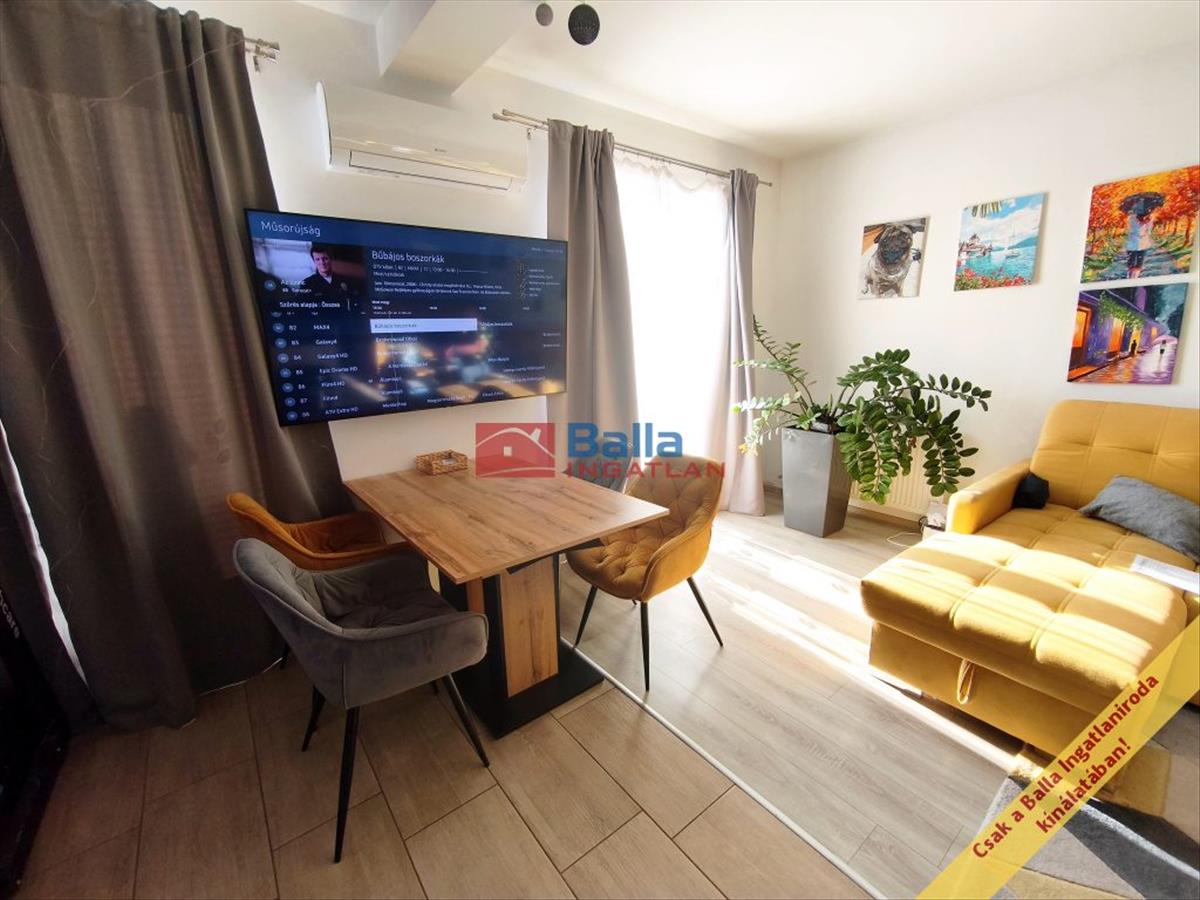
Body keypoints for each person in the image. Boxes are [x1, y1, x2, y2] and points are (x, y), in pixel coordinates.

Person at [301, 244, 362, 311]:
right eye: (317, 259)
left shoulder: (345, 280)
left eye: (325, 259)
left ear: (331, 259)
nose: (322, 263)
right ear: (314, 262)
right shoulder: (307, 283)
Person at [1125, 213, 1152, 278]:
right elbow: (1148, 232)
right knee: (1134, 264)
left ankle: (1133, 277)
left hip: (1141, 245)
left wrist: (1147, 222)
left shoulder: (1147, 220)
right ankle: (1131, 277)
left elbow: (1148, 232)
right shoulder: (1132, 218)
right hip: (1133, 245)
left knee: (1137, 264)